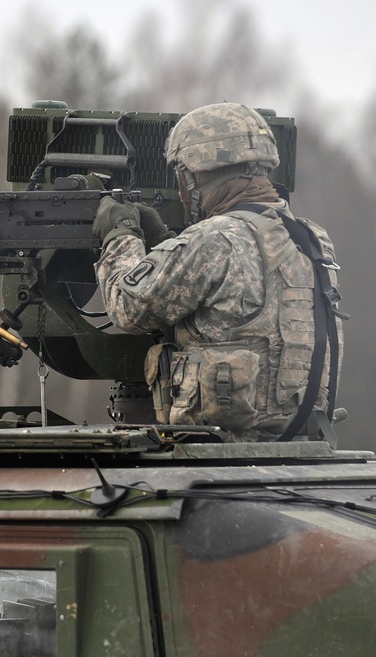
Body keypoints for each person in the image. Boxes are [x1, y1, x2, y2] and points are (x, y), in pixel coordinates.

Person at [91, 102, 343, 441]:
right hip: (298, 440)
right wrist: (167, 241)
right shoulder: (312, 239)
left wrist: (119, 235)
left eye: (182, 175)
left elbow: (127, 307)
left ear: (199, 174)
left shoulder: (214, 238)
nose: (181, 191)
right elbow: (237, 305)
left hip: (221, 443)